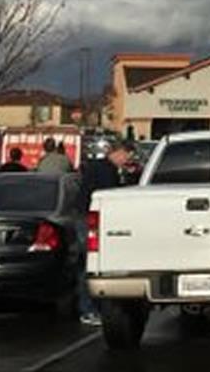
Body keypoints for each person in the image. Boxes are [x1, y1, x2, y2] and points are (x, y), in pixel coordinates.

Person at [75, 139, 134, 326]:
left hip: (85, 218)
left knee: (90, 264)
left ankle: (92, 307)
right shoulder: (106, 171)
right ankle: (88, 309)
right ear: (119, 152)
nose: (126, 161)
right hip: (89, 221)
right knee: (91, 265)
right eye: (126, 157)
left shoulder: (99, 167)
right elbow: (110, 197)